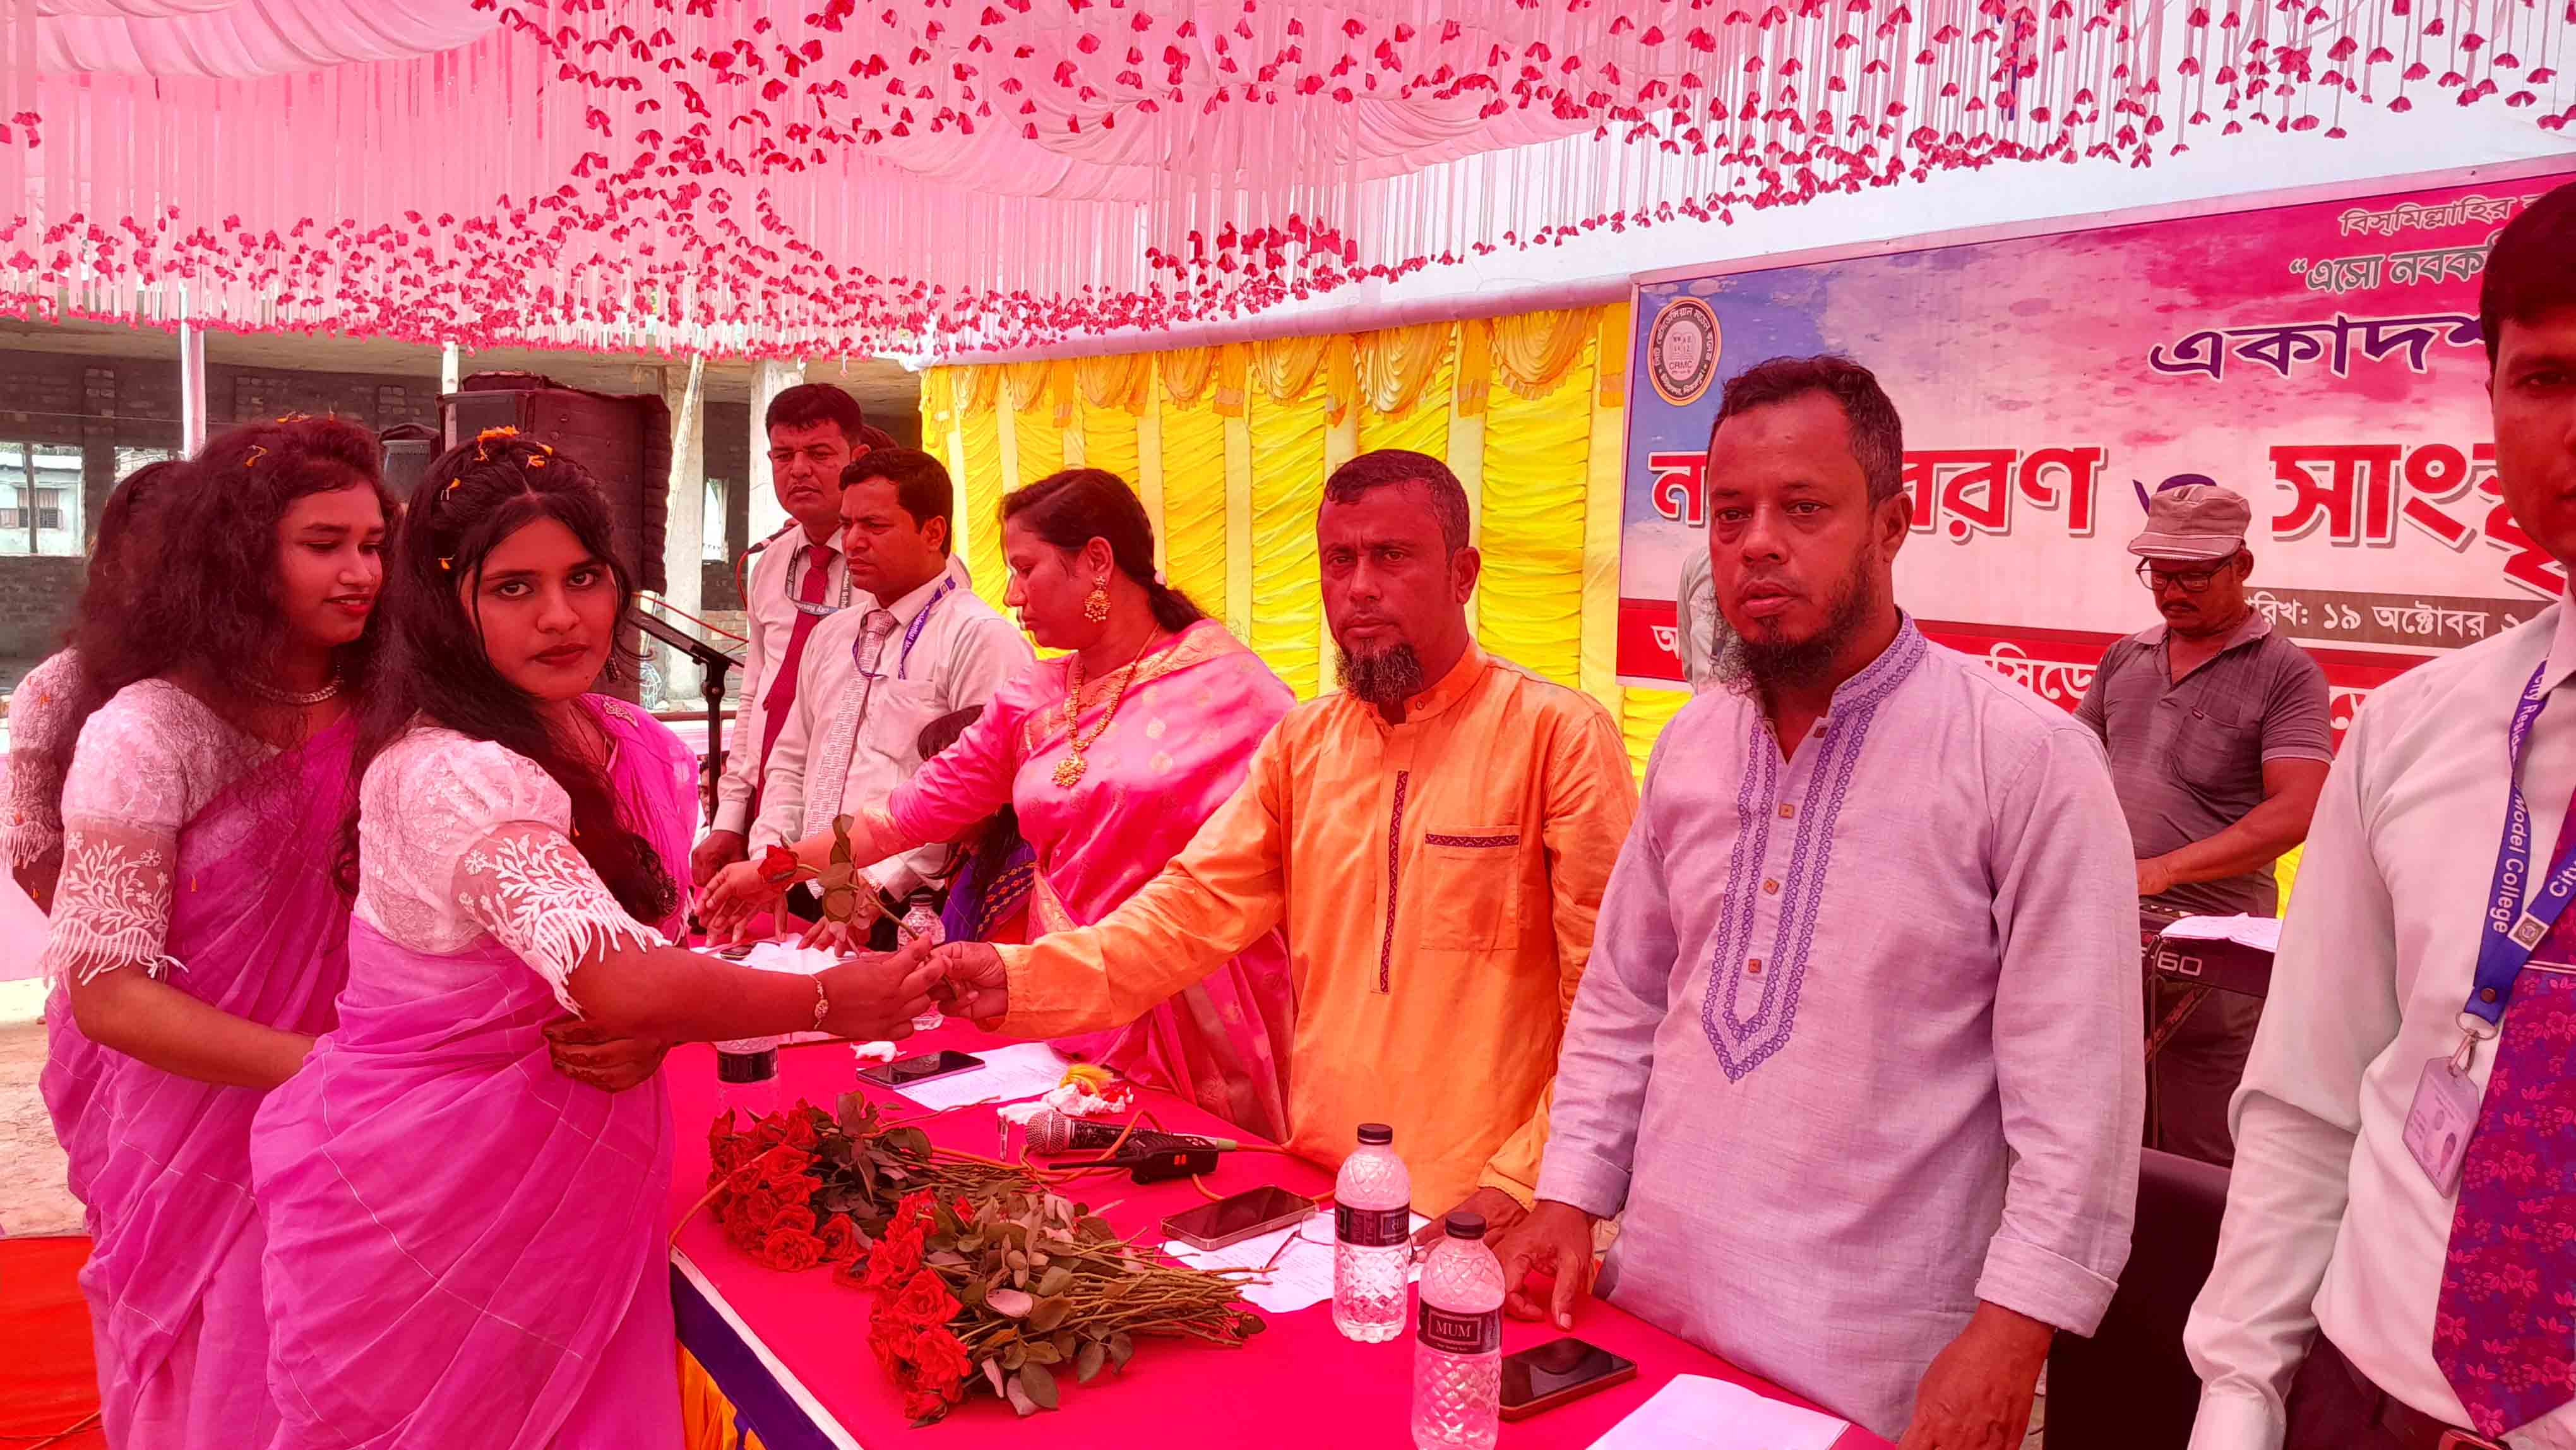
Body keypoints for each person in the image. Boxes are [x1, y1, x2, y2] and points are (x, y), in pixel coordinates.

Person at [1488, 356, 2141, 1447]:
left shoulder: (2026, 762)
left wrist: (2013, 1335)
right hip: (1656, 1322)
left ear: (1892, 524)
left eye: (1803, 508)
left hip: (1878, 1362)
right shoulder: (1693, 745)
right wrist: (1568, 1196)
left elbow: (2082, 1102)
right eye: (1729, 513)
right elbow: (1624, 1000)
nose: (1757, 544)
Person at [248, 429, 940, 1450]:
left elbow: (614, 979)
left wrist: (656, 1025)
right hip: (440, 1193)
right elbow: (616, 979)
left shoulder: (623, 742)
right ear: (443, 606)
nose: (562, 615)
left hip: (581, 1180)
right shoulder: (448, 771)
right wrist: (830, 1001)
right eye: (513, 588)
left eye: (582, 577)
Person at [922, 450, 1638, 1225]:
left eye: (1392, 556)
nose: (1360, 587)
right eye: (1339, 560)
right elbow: (1186, 914)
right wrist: (1017, 977)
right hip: (1326, 1182)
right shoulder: (1305, 746)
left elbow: (1611, 1002)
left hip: (1488, 1205)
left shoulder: (1555, 736)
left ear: (1462, 574)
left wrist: (1533, 1185)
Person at [2184, 181, 2576, 1450]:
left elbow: (2272, 816)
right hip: (2369, 1401)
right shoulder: (2413, 729)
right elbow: (2311, 1096)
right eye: (2546, 378)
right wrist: (2239, 1397)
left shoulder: (2288, 677)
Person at [707, 468, 1301, 1135]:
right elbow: (901, 817)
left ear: (1098, 561)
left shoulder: (1234, 690)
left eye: (1026, 568)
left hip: (1204, 999)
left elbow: (1295, 861)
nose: (1013, 594)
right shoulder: (1033, 698)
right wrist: (775, 871)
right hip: (1066, 991)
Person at [37, 418, 391, 1448]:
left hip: (364, 1115)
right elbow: (108, 993)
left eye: (375, 545)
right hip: (207, 1119)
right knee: (225, 1365)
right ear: (239, 553)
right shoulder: (150, 727)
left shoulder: (391, 704)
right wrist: (328, 1069)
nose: (361, 572)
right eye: (324, 544)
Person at [2073, 480, 2333, 1167]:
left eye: (2193, 575)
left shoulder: (2287, 674)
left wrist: (2163, 870)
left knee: (2196, 1155)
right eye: (2160, 574)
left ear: (2242, 566)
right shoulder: (2124, 658)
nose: (2172, 591)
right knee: (2086, 1134)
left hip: (2214, 950)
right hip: (2104, 926)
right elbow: (2070, 764)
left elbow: (2298, 808)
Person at [746, 448, 1030, 938]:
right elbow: (791, 761)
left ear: (933, 532)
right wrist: (769, 864)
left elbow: (979, 798)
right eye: (847, 524)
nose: (852, 542)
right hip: (806, 893)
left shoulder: (979, 637)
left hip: (911, 909)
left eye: (874, 526)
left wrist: (874, 892)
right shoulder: (831, 634)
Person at [693, 383, 870, 887]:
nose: (799, 470)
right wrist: (731, 818)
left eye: (819, 454)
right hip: (770, 808)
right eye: (784, 455)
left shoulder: (903, 566)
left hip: (860, 823)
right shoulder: (770, 563)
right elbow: (757, 695)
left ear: (857, 460)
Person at [5, 458, 186, 910]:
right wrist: (113, 933)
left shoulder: (270, 678)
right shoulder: (59, 689)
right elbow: (32, 860)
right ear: (117, 565)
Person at [1674, 544, 1732, 693]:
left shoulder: (1698, 561)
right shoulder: (1698, 562)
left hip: (1753, 701)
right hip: (1708, 699)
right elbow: (1689, 658)